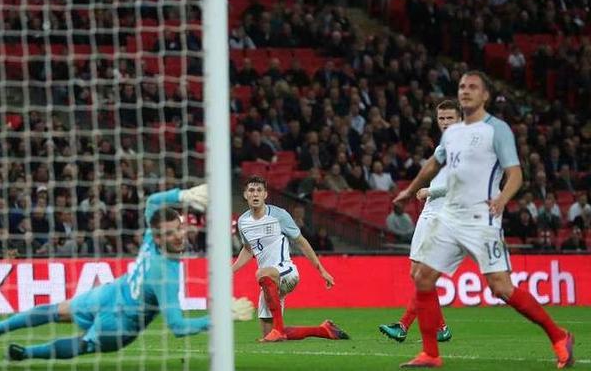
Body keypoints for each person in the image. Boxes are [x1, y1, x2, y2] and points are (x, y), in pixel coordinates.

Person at [393, 72, 573, 368]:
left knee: (501, 288)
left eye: (472, 87)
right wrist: (411, 190)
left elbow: (515, 173)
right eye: (462, 86)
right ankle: (431, 354)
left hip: (481, 220)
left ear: (485, 95)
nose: (465, 91)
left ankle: (558, 335)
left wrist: (502, 198)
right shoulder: (452, 134)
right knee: (422, 277)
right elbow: (433, 163)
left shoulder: (497, 130)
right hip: (450, 217)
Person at [0, 185, 250, 361]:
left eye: (178, 229)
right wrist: (218, 318)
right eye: (169, 233)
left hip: (119, 316)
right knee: (59, 313)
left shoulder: (152, 241)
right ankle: (0, 329)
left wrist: (181, 197)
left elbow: (153, 202)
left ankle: (23, 352)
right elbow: (179, 328)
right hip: (116, 304)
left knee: (74, 331)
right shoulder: (165, 273)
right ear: (156, 238)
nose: (178, 236)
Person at [380, 100, 460, 344]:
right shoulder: (443, 147)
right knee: (417, 273)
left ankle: (403, 326)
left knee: (420, 274)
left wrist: (429, 191)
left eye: (450, 118)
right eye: (441, 119)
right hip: (429, 213)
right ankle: (441, 327)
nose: (445, 123)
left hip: (442, 215)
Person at [232, 176, 349, 343]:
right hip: (268, 282)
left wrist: (321, 270)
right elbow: (248, 250)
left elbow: (301, 242)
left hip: (286, 272)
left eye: (259, 190)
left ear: (265, 194)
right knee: (268, 336)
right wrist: (231, 271)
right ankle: (323, 330)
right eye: (251, 190)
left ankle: (278, 330)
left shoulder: (279, 215)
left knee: (262, 273)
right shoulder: (243, 221)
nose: (255, 194)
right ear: (245, 194)